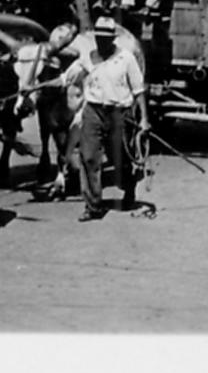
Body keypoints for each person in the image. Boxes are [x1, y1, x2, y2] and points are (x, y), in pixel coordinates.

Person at [60, 16, 149, 220]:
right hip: (93, 111)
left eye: (105, 38)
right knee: (88, 156)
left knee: (120, 158)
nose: (101, 41)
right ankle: (93, 206)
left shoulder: (126, 58)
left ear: (113, 39)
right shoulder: (87, 58)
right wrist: (33, 87)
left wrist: (144, 119)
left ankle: (129, 187)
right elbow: (66, 78)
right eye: (98, 37)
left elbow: (138, 90)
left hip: (119, 113)